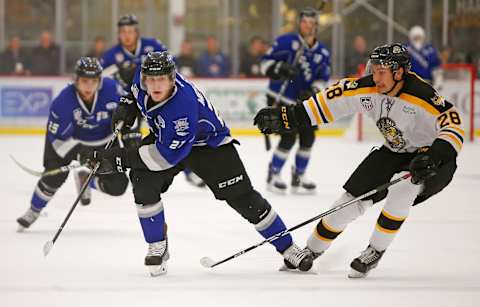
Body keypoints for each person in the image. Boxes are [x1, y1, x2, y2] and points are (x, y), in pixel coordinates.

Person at [80, 51, 314, 276]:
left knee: (244, 199)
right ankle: (157, 246)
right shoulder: (141, 79)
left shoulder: (182, 106)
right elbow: (132, 93)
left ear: (172, 78)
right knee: (142, 181)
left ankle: (288, 247)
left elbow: (163, 158)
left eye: (161, 79)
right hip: (166, 136)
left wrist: (118, 159)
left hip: (209, 145)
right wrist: (126, 107)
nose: (155, 85)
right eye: (150, 80)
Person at [254, 43, 463, 278]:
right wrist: (286, 117)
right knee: (349, 201)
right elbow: (326, 104)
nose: (375, 77)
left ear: (399, 72)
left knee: (403, 188)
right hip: (393, 151)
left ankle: (375, 250)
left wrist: (435, 155)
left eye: (381, 71)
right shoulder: (368, 87)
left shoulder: (422, 95)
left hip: (433, 158)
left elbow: (454, 125)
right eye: (373, 70)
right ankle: (311, 250)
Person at [16, 57, 130, 231]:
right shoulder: (62, 102)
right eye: (84, 81)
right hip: (69, 142)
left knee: (118, 185)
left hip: (104, 140)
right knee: (53, 176)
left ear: (99, 81)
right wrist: (80, 155)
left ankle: (88, 181)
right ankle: (34, 210)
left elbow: (130, 110)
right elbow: (58, 140)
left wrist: (131, 134)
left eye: (93, 81)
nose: (89, 86)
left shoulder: (112, 88)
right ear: (76, 80)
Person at [102, 14, 204, 187]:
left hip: (155, 100)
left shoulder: (153, 46)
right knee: (132, 142)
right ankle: (142, 178)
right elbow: (101, 79)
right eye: (123, 32)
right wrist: (117, 72)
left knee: (172, 134)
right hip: (129, 104)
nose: (126, 35)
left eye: (130, 31)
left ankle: (189, 170)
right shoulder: (112, 55)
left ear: (137, 32)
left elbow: (170, 68)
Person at [260, 7, 330, 194]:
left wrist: (313, 90)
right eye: (304, 22)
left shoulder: (322, 52)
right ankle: (273, 175)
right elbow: (264, 64)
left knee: (308, 137)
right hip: (281, 97)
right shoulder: (286, 41)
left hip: (306, 102)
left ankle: (299, 174)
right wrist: (280, 68)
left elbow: (323, 77)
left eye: (311, 23)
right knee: (288, 136)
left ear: (316, 26)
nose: (307, 26)